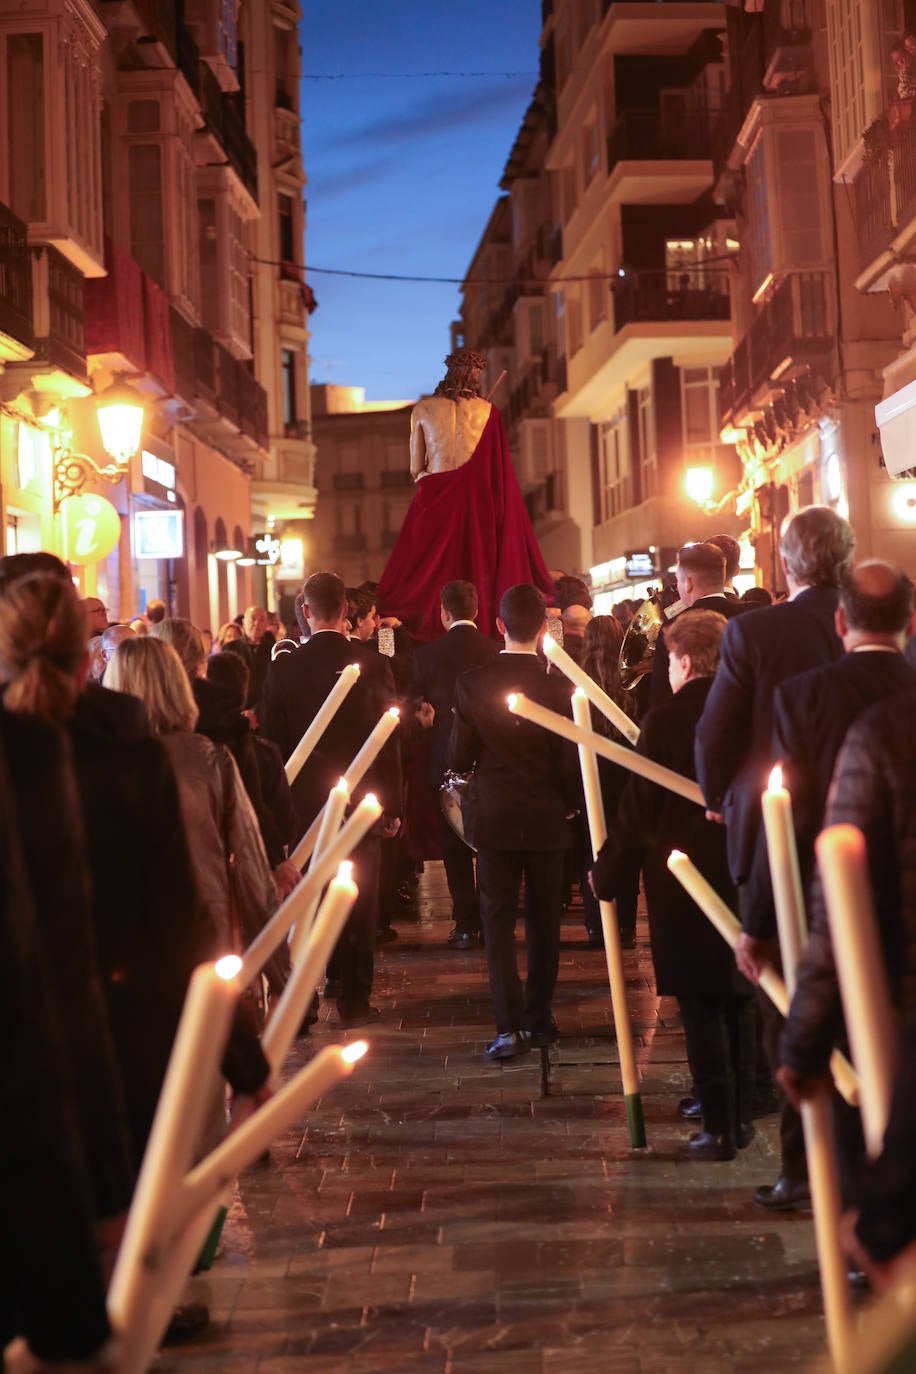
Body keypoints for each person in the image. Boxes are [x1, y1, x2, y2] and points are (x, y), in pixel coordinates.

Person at [695, 505, 855, 1212]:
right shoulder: (877, 621)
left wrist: (715, 797)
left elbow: (716, 731)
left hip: (778, 842)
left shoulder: (755, 633)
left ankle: (803, 1166)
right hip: (871, 833)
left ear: (785, 564)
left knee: (786, 1005)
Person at [592, 610, 756, 1158]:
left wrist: (608, 873)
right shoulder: (752, 708)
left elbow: (638, 810)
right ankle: (744, 1114)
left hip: (682, 877)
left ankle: (717, 1124)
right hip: (745, 867)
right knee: (742, 995)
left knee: (700, 1004)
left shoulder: (666, 720)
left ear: (682, 661)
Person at [260, 571, 402, 1026]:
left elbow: (272, 744)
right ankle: (354, 1000)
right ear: (345, 611)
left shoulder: (283, 669)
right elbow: (388, 741)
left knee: (304, 898)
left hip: (301, 802)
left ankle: (300, 1006)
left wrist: (274, 808)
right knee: (357, 896)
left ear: (305, 611)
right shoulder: (374, 665)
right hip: (359, 798)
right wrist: (393, 805)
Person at [448, 584, 580, 1060]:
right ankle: (540, 1018)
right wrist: (568, 804)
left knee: (497, 920)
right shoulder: (562, 684)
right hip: (546, 814)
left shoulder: (472, 682)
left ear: (499, 625)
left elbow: (459, 756)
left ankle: (508, 1027)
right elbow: (571, 759)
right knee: (546, 921)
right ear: (544, 628)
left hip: (497, 815)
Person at [107, 636, 279, 957]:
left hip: (122, 936)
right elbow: (249, 858)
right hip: (203, 922)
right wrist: (284, 976)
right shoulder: (207, 757)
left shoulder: (99, 758)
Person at [374, 350, 554, 641]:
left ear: (448, 373)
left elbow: (415, 468)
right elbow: (498, 471)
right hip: (477, 505)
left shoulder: (423, 409)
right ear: (476, 376)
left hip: (435, 501)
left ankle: (413, 637)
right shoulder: (489, 412)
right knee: (477, 571)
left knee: (418, 576)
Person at [410, 579, 499, 949]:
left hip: (444, 758)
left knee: (454, 845)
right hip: (490, 758)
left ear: (443, 612)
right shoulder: (495, 651)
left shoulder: (426, 655)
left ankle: (465, 925)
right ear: (477, 611)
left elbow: (416, 708)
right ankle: (493, 920)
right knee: (492, 845)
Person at [578, 614, 640, 949]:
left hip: (591, 771)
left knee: (592, 849)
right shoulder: (631, 679)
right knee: (626, 846)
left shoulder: (575, 681)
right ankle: (626, 925)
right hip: (626, 771)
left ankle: (595, 924)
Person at [647, 542, 743, 708]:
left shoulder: (673, 628)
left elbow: (660, 696)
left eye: (678, 580)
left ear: (688, 583)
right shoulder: (748, 617)